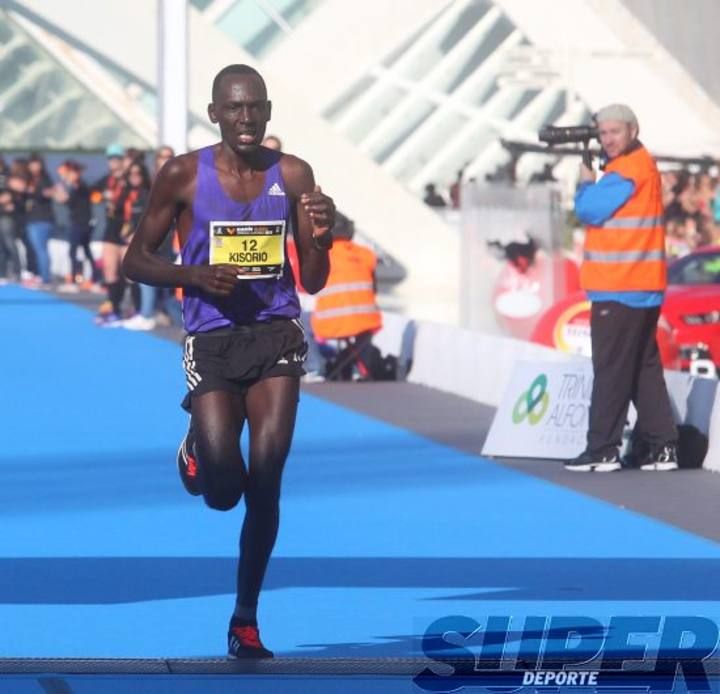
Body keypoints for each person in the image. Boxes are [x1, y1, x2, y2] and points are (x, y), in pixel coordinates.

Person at [122, 64, 335, 658]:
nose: (246, 119)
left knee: (266, 482)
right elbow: (133, 262)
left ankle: (245, 619)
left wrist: (324, 235)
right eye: (234, 109)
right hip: (212, 339)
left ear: (268, 113)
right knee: (222, 491)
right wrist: (191, 275)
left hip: (276, 337)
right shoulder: (182, 175)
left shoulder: (292, 174)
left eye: (256, 108)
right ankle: (198, 446)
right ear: (215, 114)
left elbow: (313, 279)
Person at [565, 103, 678, 473]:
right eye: (603, 133)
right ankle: (663, 448)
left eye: (614, 132)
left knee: (611, 368)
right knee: (643, 368)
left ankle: (602, 448)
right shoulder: (642, 164)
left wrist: (584, 181)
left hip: (620, 286)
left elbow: (589, 210)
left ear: (633, 130)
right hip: (642, 286)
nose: (608, 139)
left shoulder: (626, 171)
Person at [310, 213, 382, 380]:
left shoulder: (322, 255)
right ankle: (358, 366)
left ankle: (326, 368)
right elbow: (374, 289)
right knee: (362, 336)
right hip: (366, 321)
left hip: (328, 324)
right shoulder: (366, 254)